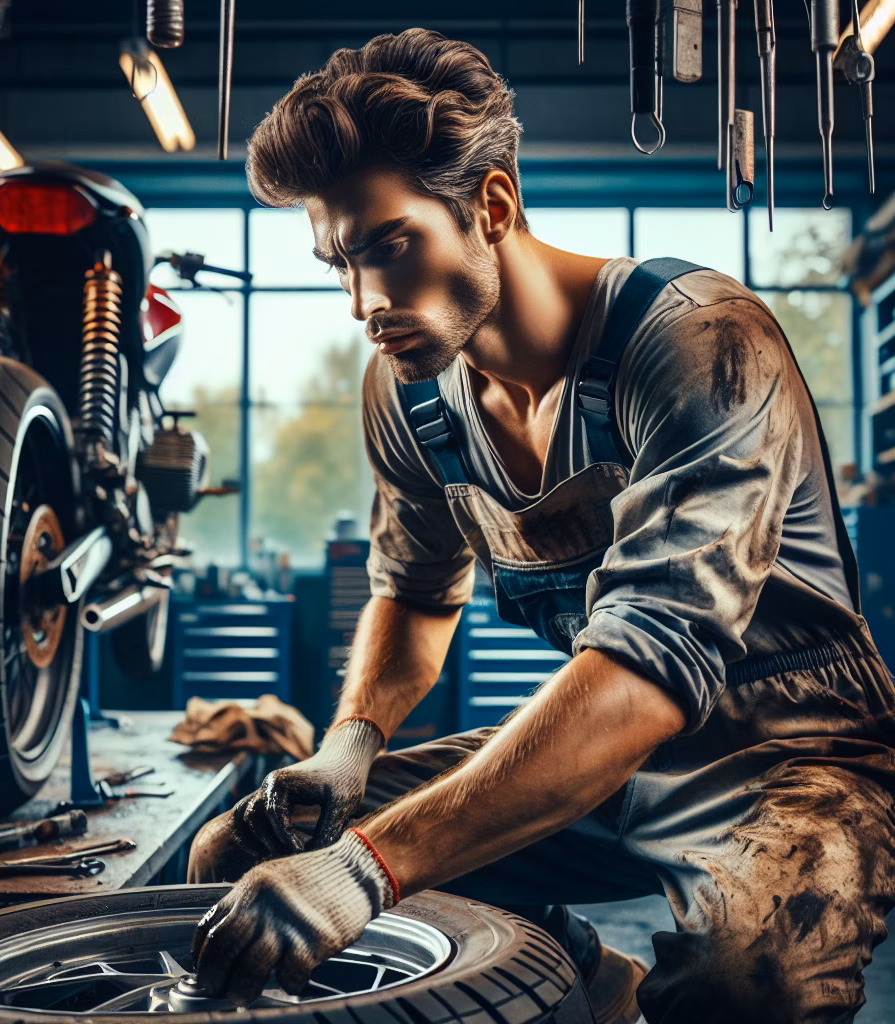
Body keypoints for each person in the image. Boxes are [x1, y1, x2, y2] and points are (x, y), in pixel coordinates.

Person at [186, 28, 895, 1024]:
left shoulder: (698, 342)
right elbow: (413, 591)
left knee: (749, 984)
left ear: (493, 204)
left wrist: (364, 870)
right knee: (243, 850)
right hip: (605, 757)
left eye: (389, 247)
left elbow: (648, 671)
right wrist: (348, 746)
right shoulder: (412, 390)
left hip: (791, 756)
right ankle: (579, 973)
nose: (365, 302)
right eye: (339, 262)